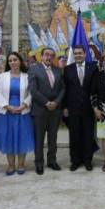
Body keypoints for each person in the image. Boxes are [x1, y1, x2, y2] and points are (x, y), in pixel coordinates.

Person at [0, 52, 34, 175]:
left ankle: (21, 164)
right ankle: (10, 165)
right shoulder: (2, 76)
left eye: (15, 60)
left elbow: (32, 93)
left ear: (20, 61)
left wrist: (24, 105)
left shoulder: (27, 76)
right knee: (8, 138)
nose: (12, 62)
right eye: (10, 61)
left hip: (23, 111)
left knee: (22, 137)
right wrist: (8, 106)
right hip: (6, 112)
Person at [28, 47, 65, 175]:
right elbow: (33, 90)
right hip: (40, 110)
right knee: (39, 138)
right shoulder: (34, 69)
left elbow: (62, 89)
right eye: (46, 55)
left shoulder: (58, 70)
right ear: (41, 56)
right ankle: (39, 163)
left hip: (55, 110)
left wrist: (56, 102)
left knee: (53, 138)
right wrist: (47, 102)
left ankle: (52, 160)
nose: (49, 57)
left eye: (51, 55)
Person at [63, 45, 98, 171]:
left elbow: (95, 89)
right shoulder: (67, 69)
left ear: (84, 54)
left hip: (89, 108)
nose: (78, 55)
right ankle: (75, 161)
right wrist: (65, 106)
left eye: (80, 53)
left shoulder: (93, 67)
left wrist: (96, 106)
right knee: (74, 135)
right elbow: (65, 89)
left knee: (88, 135)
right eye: (76, 53)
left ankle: (87, 160)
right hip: (73, 108)